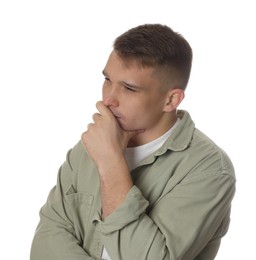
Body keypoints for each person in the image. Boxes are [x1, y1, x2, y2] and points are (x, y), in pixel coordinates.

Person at [30, 23, 236, 260]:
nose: (107, 100)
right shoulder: (89, 145)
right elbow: (46, 242)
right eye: (108, 79)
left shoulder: (208, 169)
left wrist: (110, 161)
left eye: (129, 88)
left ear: (170, 100)